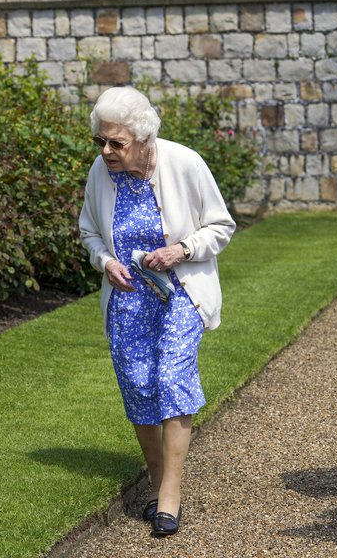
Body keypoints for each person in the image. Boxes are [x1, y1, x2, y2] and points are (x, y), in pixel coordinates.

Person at [78, 86, 235, 537]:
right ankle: (154, 478)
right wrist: (105, 261)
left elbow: (221, 225)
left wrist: (181, 249)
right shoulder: (100, 173)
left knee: (170, 377)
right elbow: (89, 231)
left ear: (143, 139)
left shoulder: (184, 163)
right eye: (101, 142)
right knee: (139, 384)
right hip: (129, 297)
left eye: (116, 143)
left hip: (181, 292)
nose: (106, 151)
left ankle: (170, 495)